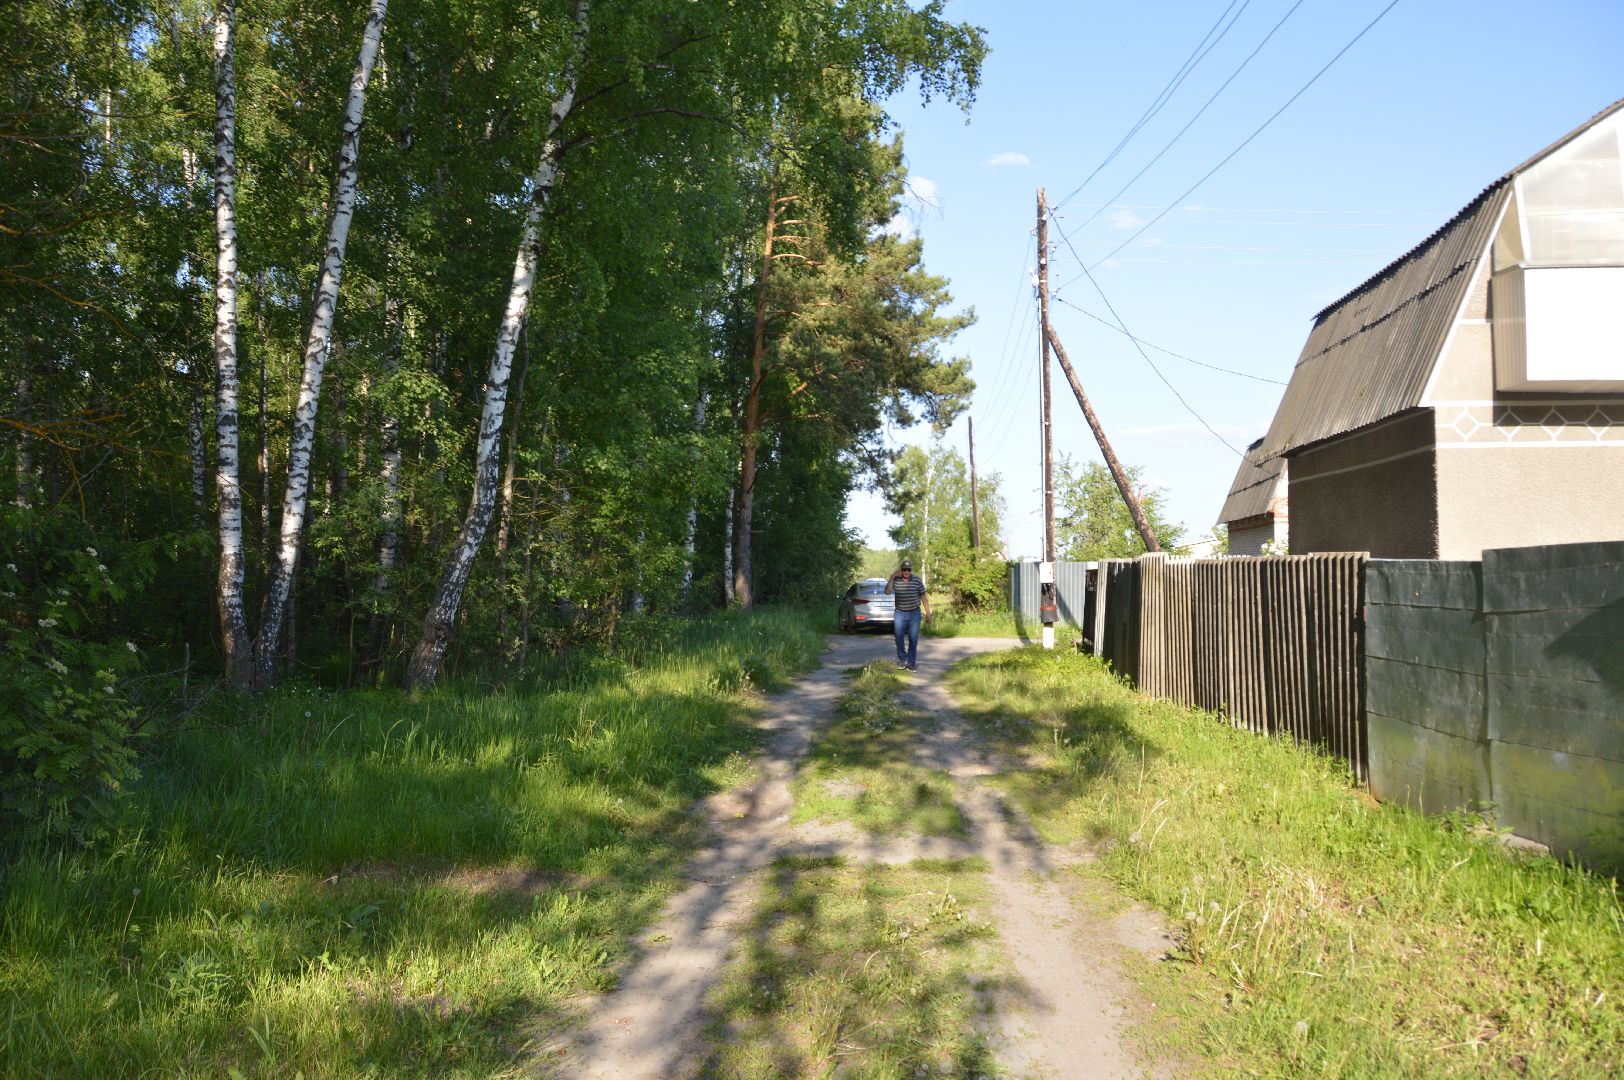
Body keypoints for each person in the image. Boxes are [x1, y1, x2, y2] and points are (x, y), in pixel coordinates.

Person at [885, 560, 930, 671]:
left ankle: (911, 663)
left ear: (911, 570)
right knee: (899, 636)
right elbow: (887, 591)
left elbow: (923, 596)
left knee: (913, 639)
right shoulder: (896, 580)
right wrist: (892, 577)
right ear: (901, 570)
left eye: (908, 570)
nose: (906, 572)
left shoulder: (917, 580)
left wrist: (928, 613)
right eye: (904, 569)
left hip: (914, 613)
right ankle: (902, 658)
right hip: (900, 613)